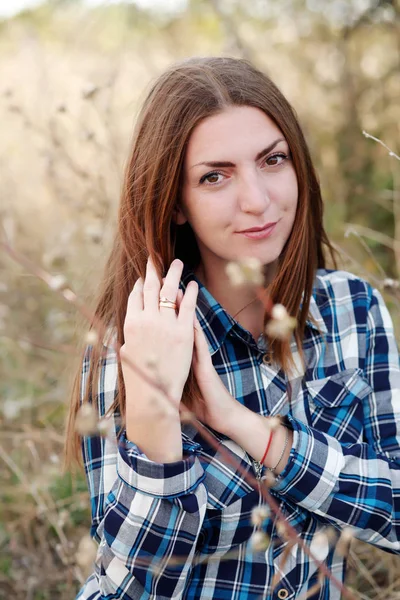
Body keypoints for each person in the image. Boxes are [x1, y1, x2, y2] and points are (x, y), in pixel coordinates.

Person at [65, 56, 400, 600]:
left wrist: (254, 433)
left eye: (272, 160)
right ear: (175, 202)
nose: (258, 200)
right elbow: (143, 577)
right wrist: (155, 410)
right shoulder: (133, 334)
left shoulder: (352, 309)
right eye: (214, 176)